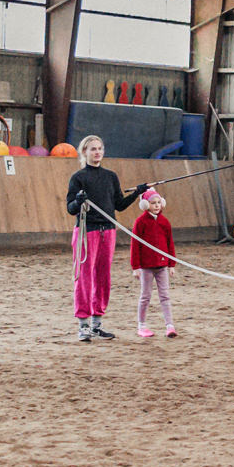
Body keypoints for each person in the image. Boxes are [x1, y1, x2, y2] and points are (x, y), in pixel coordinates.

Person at [65, 135, 146, 341]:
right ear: (85, 152)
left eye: (100, 148)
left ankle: (96, 322)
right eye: (93, 149)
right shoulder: (78, 178)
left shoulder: (110, 177)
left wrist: (137, 193)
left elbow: (118, 204)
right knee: (84, 276)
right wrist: (78, 200)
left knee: (103, 277)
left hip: (107, 231)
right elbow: (71, 208)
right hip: (87, 231)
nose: (97, 152)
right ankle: (83, 324)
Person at [129, 188, 178, 339]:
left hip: (162, 266)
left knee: (165, 295)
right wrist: (136, 267)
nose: (157, 206)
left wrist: (171, 263)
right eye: (153, 203)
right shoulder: (140, 222)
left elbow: (170, 243)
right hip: (146, 267)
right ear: (145, 204)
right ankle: (141, 325)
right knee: (145, 296)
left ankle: (169, 325)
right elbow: (135, 245)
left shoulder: (164, 222)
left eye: (158, 203)